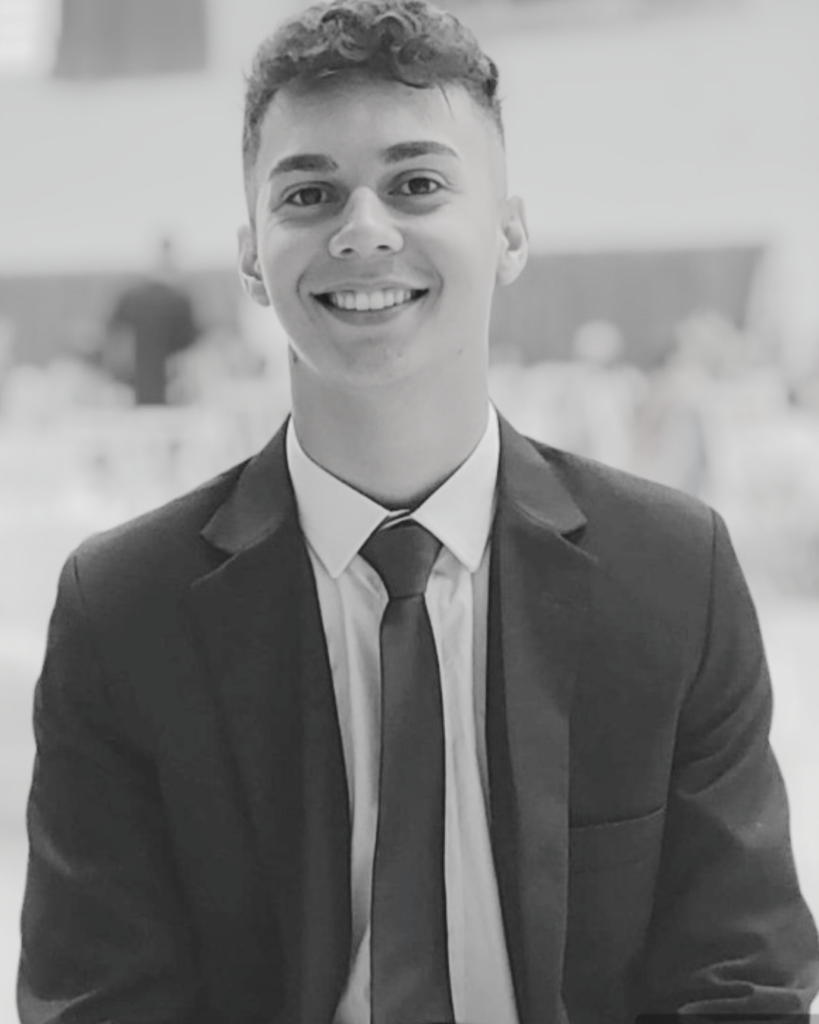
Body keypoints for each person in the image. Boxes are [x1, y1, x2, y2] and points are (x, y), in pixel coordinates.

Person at [18, 1, 819, 1022]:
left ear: (510, 233)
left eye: (417, 184)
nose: (363, 229)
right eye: (309, 193)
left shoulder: (672, 572)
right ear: (253, 258)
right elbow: (96, 1001)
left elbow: (740, 979)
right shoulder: (124, 609)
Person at [105, 235, 199, 404]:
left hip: (137, 387)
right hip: (168, 386)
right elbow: (190, 344)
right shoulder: (179, 300)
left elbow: (114, 336)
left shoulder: (131, 297)